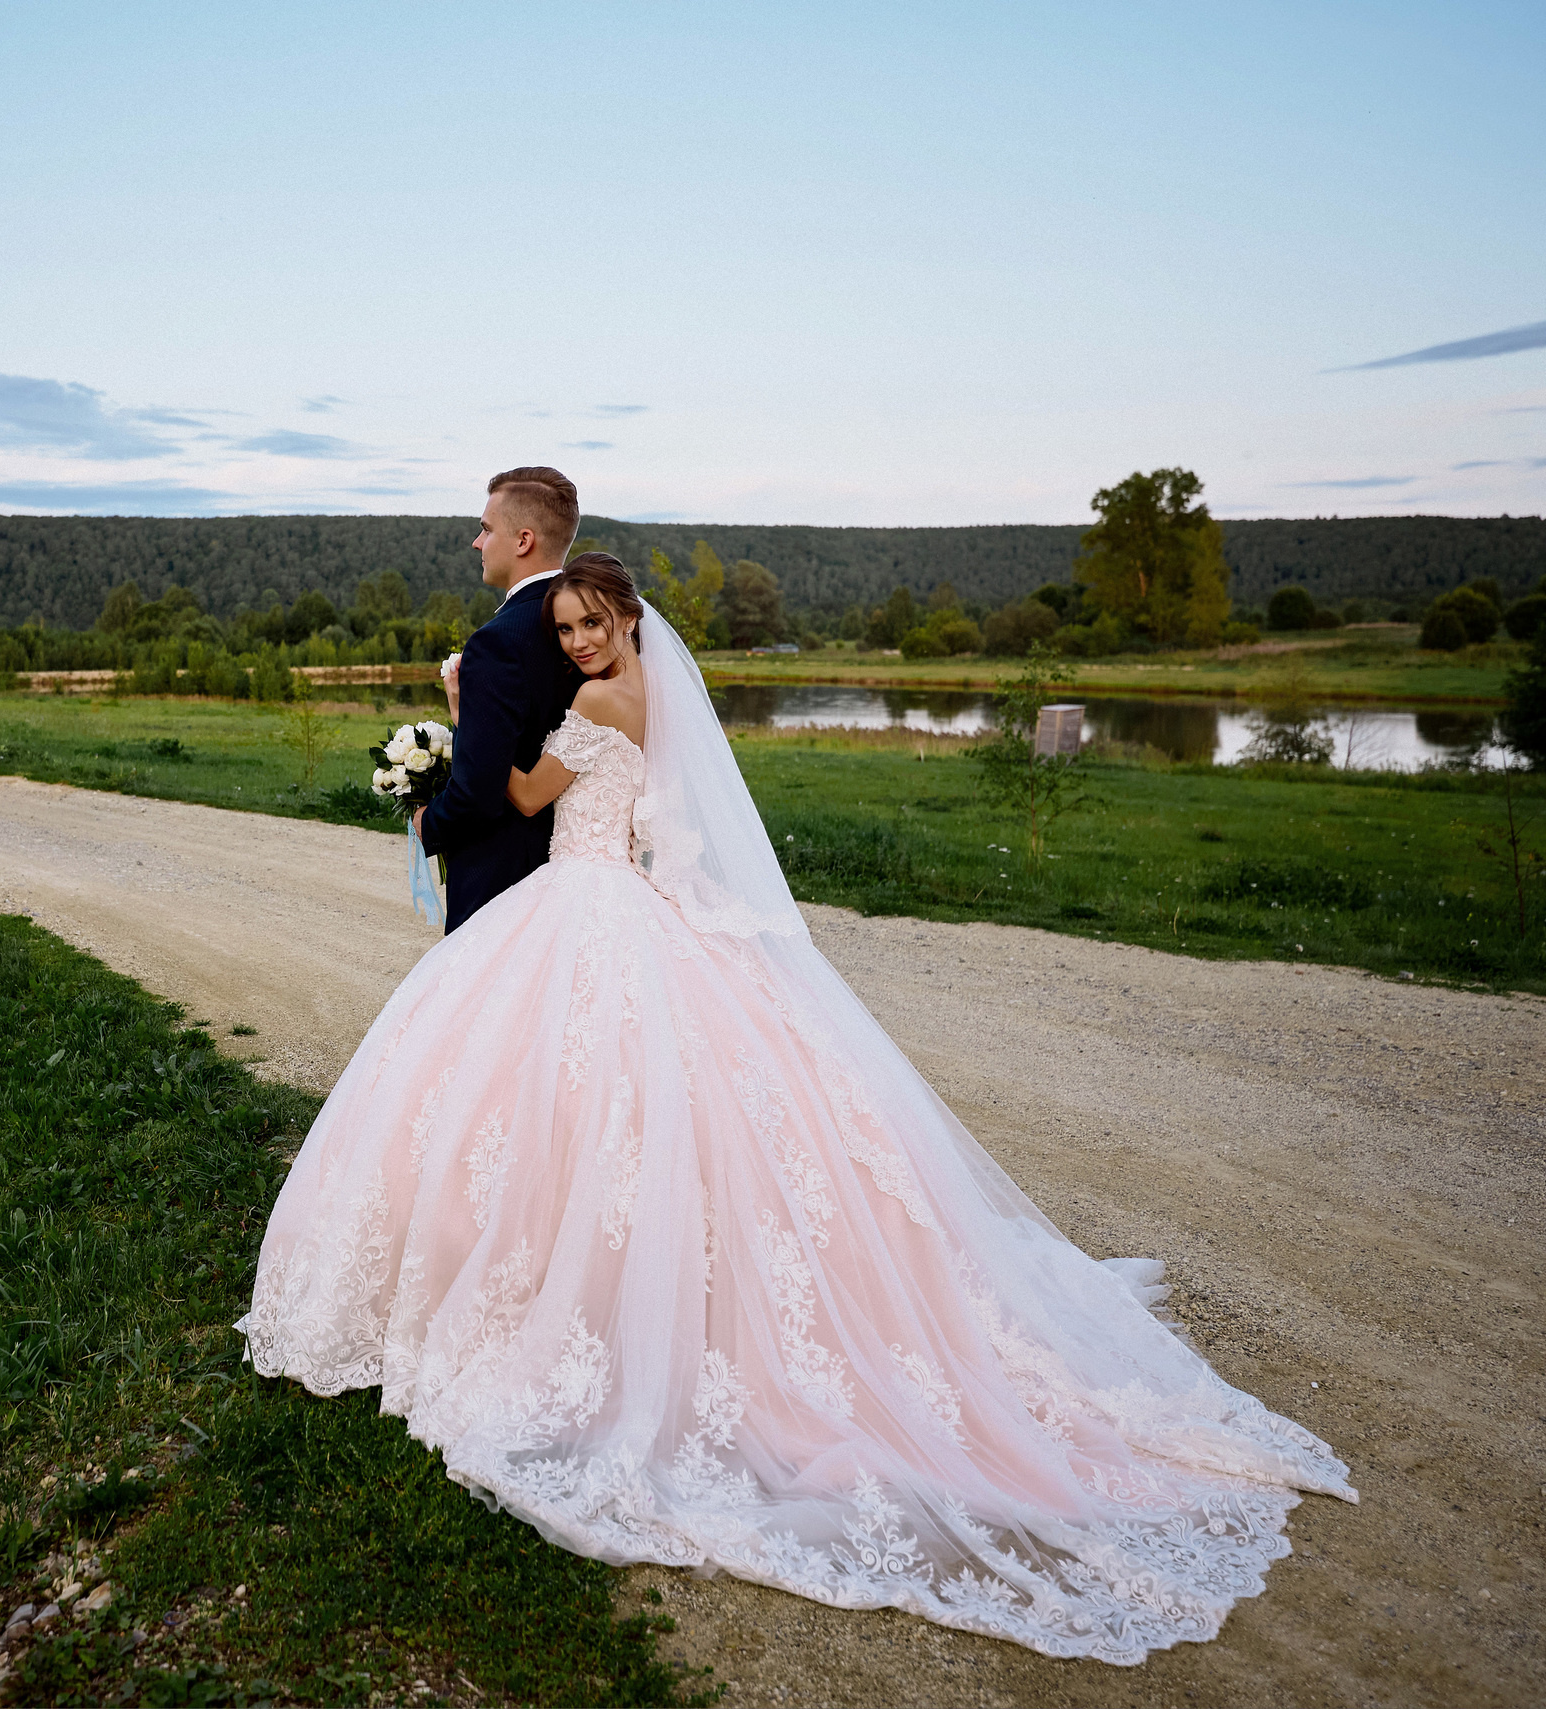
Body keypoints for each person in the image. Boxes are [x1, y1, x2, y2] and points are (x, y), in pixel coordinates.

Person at [239, 553, 1354, 1666]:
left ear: (627, 619)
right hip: (625, 896)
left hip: (587, 900)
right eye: (568, 626)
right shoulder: (665, 693)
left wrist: (445, 739)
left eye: (591, 621)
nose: (577, 641)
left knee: (544, 1099)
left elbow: (524, 794)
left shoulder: (591, 700)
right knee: (631, 1111)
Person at [413, 467, 583, 933]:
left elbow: (478, 792)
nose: (476, 542)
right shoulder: (592, 626)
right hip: (580, 869)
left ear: (523, 540)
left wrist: (428, 822)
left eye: (486, 529)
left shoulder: (499, 642)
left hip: (503, 878)